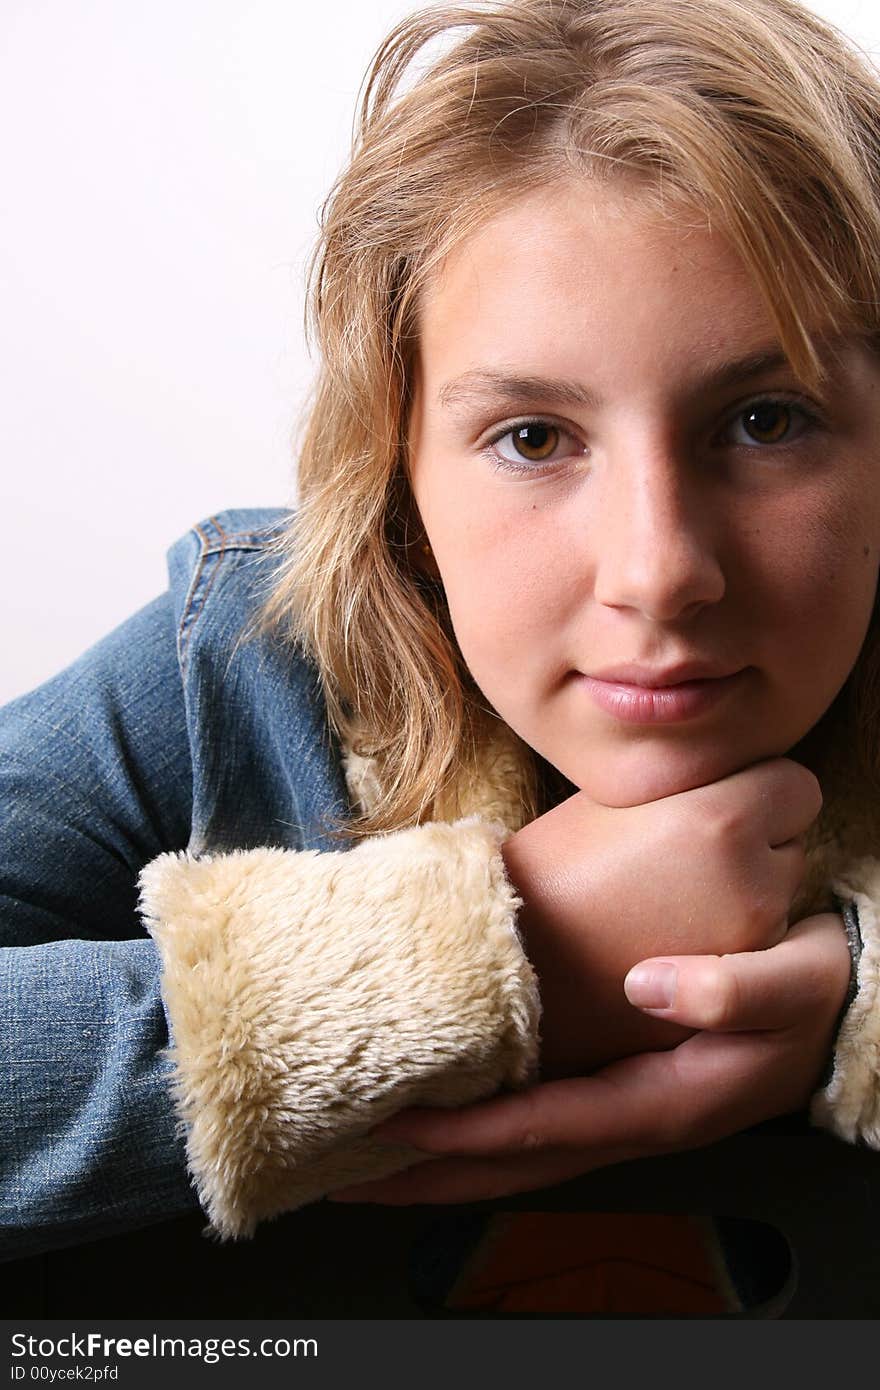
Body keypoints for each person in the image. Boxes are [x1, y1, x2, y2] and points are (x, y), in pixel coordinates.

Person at [2, 0, 878, 1293]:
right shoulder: (240, 661)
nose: (659, 569)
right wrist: (511, 955)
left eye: (764, 419)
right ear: (397, 469)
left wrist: (862, 1005)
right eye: (534, 436)